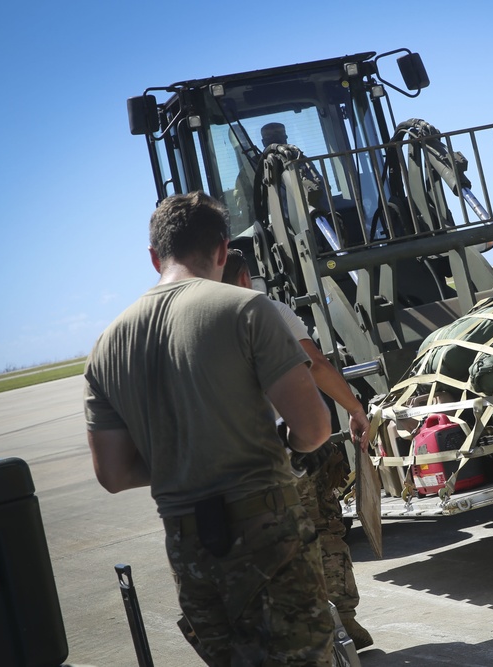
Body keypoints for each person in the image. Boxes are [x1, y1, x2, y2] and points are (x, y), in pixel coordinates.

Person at [84, 191, 335, 666]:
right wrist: (285, 446)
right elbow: (315, 427)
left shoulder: (106, 346)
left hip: (188, 545)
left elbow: (114, 475)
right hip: (267, 534)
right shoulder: (246, 309)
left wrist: (180, 457)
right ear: (222, 250)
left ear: (155, 257)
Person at [223, 248, 373, 650]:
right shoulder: (269, 311)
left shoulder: (197, 325)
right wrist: (355, 408)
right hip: (293, 451)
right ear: (243, 278)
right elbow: (317, 365)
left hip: (237, 468)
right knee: (324, 528)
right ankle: (344, 621)